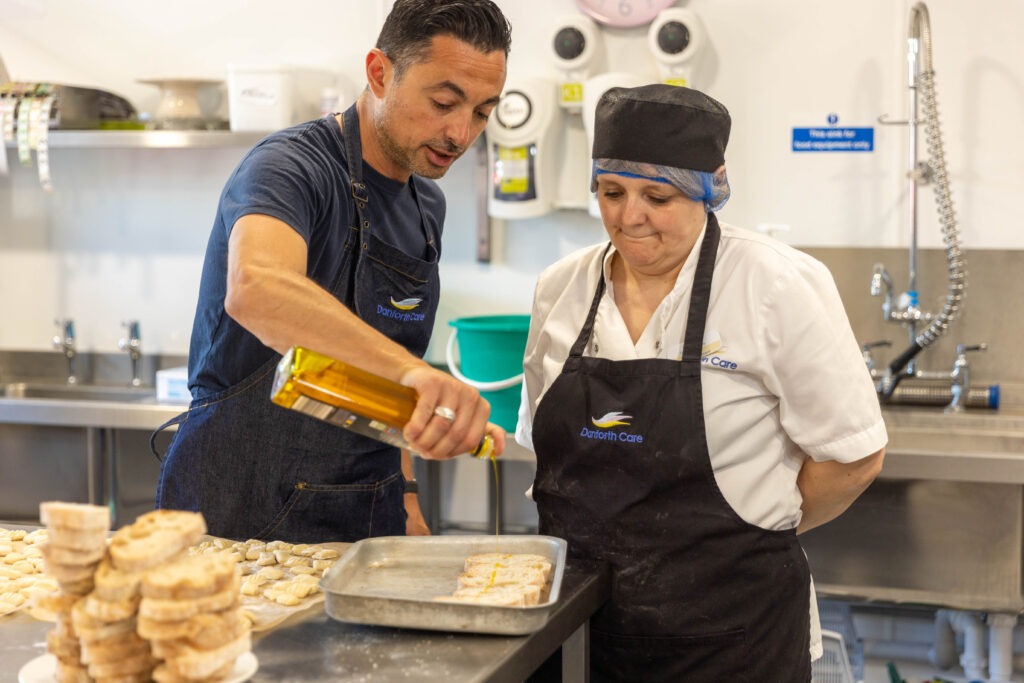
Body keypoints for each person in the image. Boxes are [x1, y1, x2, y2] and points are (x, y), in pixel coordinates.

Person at [517, 84, 887, 682]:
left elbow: (853, 459)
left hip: (733, 637)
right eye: (611, 193)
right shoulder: (561, 288)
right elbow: (544, 451)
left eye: (656, 196)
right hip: (581, 633)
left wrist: (745, 529)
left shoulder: (773, 284)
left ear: (709, 188)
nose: (628, 216)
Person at [154, 0, 511, 544]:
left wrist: (408, 493)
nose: (461, 133)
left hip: (368, 507)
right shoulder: (290, 167)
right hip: (239, 507)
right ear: (379, 73)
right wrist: (415, 376)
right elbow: (257, 288)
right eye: (443, 103)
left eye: (483, 113)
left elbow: (396, 360)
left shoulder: (426, 206)